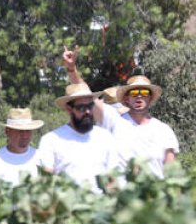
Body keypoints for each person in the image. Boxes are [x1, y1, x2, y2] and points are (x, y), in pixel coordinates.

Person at [61, 48, 177, 177]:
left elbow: (171, 173)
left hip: (155, 195)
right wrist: (72, 69)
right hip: (123, 195)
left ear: (150, 97)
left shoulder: (163, 130)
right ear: (127, 98)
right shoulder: (115, 121)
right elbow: (86, 95)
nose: (139, 96)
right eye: (134, 93)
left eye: (144, 92)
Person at [36, 81, 118, 189]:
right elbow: (46, 181)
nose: (88, 112)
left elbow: (113, 177)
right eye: (82, 108)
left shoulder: (105, 137)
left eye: (90, 106)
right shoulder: (50, 140)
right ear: (69, 109)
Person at [0, 108, 44, 184]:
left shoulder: (41, 159)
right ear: (7, 131)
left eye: (28, 131)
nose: (25, 135)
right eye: (20, 131)